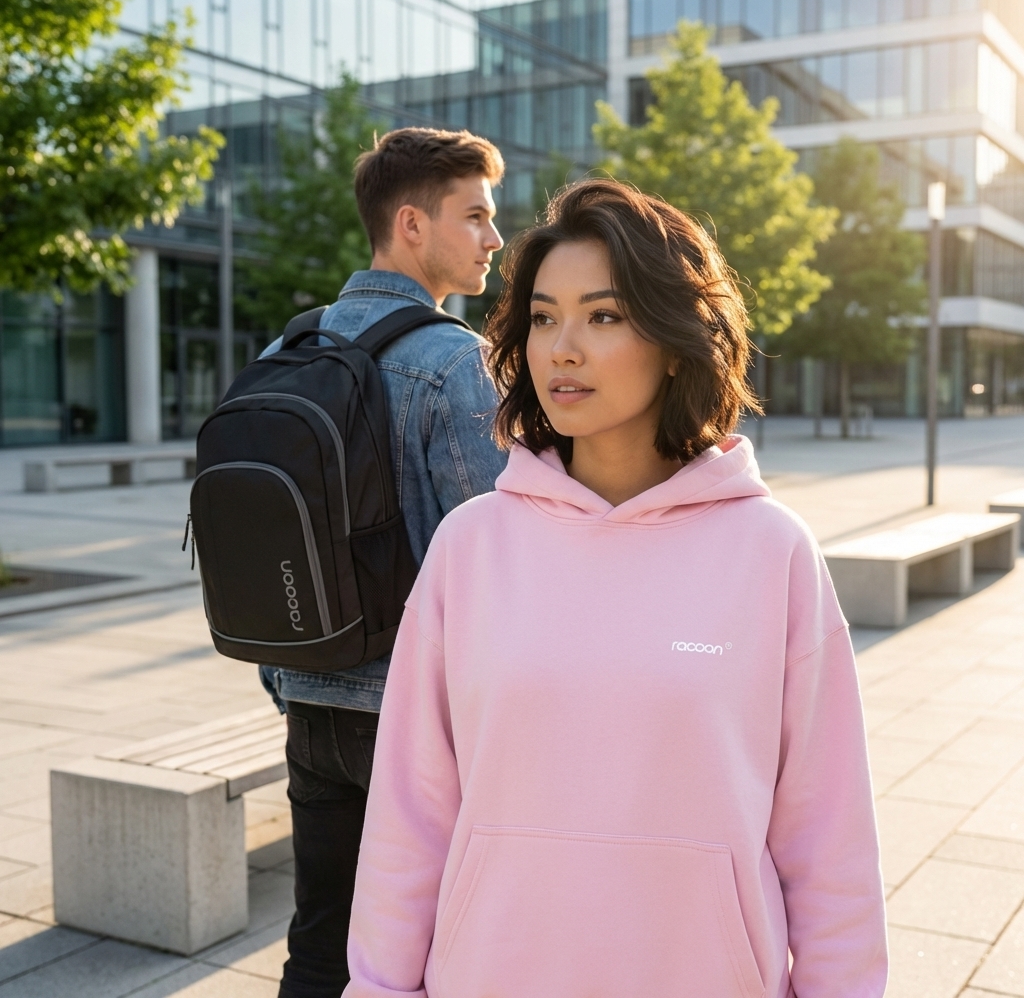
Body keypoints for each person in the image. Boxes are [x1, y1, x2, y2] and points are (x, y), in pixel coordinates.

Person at [343, 179, 888, 997]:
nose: (562, 347)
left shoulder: (770, 552)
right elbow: (409, 817)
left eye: (602, 316)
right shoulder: (471, 547)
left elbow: (829, 834)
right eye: (542, 317)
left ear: (675, 338)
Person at [259, 127, 509, 998]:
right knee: (436, 952)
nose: (495, 238)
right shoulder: (453, 362)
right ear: (411, 223)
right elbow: (501, 561)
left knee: (322, 945)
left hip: (306, 701)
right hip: (414, 725)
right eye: (475, 215)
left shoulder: (287, 348)